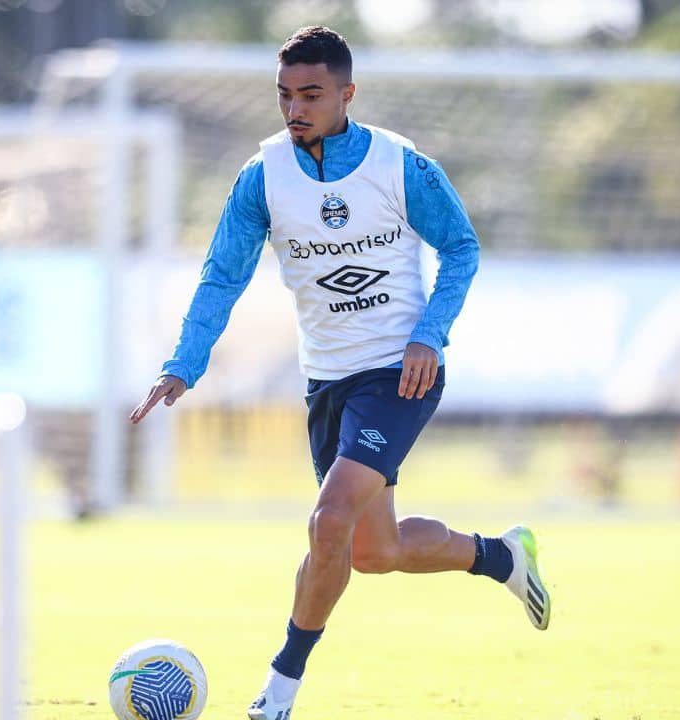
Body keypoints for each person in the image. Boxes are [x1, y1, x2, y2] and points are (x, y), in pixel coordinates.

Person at [129, 26, 551, 719]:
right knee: (371, 551)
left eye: (312, 95)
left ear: (346, 94)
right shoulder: (261, 176)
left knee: (327, 521)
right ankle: (502, 557)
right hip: (326, 381)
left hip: (399, 372)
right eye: (285, 95)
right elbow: (222, 276)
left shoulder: (399, 165)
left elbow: (462, 248)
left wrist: (428, 335)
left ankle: (278, 693)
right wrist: (185, 363)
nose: (296, 109)